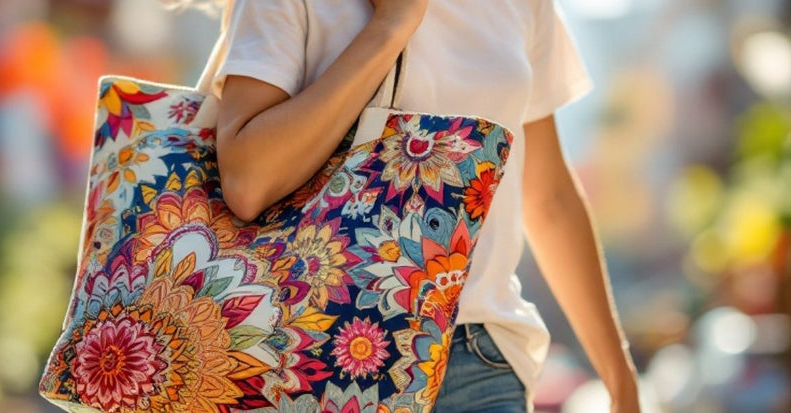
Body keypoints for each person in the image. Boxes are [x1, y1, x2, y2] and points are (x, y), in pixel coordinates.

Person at [192, 0, 642, 411]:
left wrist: (620, 379)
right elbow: (247, 182)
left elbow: (550, 199)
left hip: (477, 360)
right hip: (317, 355)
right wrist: (391, 26)